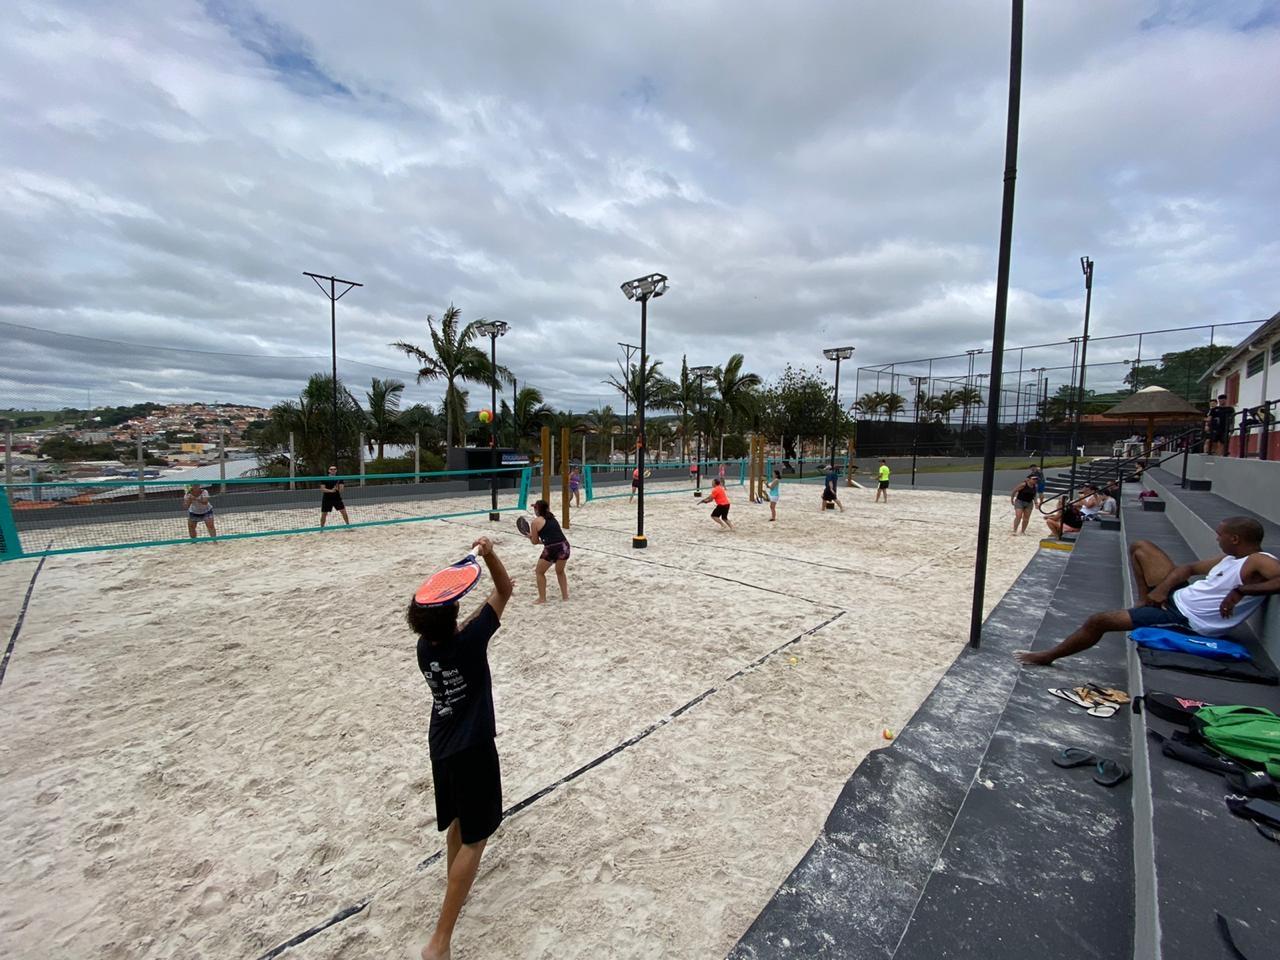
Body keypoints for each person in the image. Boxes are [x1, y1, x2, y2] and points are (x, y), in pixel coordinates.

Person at [409, 536, 513, 960]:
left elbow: (459, 622)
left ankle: (457, 888)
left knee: (456, 824)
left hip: (442, 745)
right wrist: (489, 556)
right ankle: (440, 941)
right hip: (473, 748)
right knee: (477, 837)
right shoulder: (469, 642)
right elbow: (505, 590)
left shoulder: (423, 648)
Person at [1017, 517, 1280, 666]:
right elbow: (1187, 568)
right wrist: (1162, 590)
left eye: (1220, 535)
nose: (1217, 538)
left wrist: (1240, 591)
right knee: (1141, 546)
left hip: (1186, 619)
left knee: (1099, 621)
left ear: (1235, 539)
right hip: (1177, 597)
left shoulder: (1258, 560)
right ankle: (1144, 600)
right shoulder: (1230, 558)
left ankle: (1048, 656)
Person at [524, 499, 570, 603]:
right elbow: (551, 539)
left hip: (552, 549)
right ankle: (565, 597)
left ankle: (542, 598)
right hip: (564, 546)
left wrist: (530, 537)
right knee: (560, 572)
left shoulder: (535, 522)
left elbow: (535, 542)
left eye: (534, 508)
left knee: (539, 572)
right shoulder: (552, 517)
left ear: (537, 510)